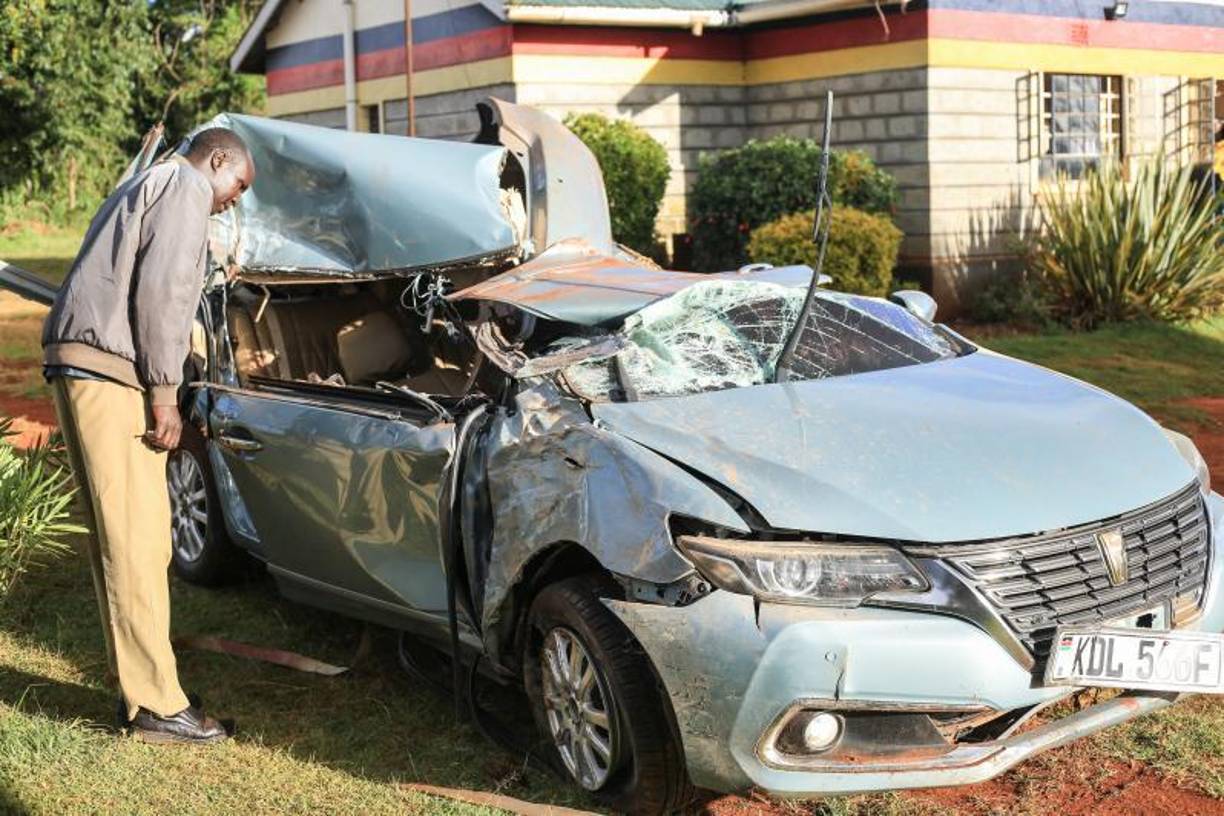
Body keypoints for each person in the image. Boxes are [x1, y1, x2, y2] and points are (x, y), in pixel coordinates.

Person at [42, 127, 254, 744]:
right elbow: (162, 294)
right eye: (237, 185)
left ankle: (140, 696)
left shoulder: (146, 180)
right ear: (217, 160)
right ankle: (160, 706)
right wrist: (165, 395)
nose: (232, 201)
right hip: (111, 373)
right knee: (137, 543)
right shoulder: (186, 186)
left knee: (123, 540)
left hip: (82, 361)